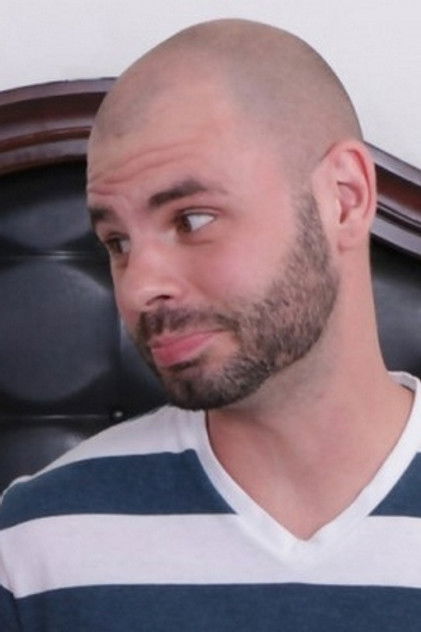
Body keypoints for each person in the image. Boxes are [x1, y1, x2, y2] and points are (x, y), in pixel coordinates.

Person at [1, 18, 420, 631]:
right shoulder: (35, 547)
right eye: (117, 243)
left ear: (344, 198)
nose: (138, 288)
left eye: (192, 220)